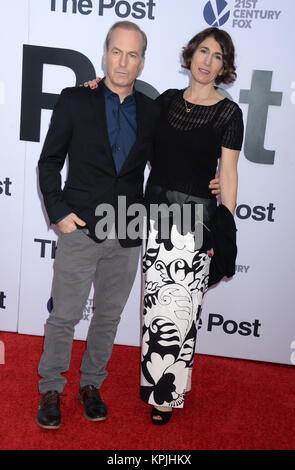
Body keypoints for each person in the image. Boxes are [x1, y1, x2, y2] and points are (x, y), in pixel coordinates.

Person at [87, 27, 243, 425]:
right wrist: (97, 87)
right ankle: (162, 382)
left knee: (182, 312)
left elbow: (228, 174)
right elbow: (126, 113)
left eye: (217, 57)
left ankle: (166, 395)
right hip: (154, 215)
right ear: (190, 55)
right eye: (203, 52)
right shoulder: (167, 101)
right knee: (157, 311)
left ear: (224, 68)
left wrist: (224, 229)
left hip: (194, 220)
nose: (207, 62)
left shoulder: (228, 113)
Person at [36, 21, 160, 430]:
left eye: (133, 54)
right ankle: (51, 387)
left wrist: (208, 179)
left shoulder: (151, 109)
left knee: (108, 317)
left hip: (126, 233)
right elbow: (49, 161)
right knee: (65, 316)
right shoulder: (75, 100)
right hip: (81, 229)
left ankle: (92, 385)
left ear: (142, 61)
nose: (123, 62)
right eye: (117, 52)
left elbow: (164, 166)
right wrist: (58, 212)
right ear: (105, 53)